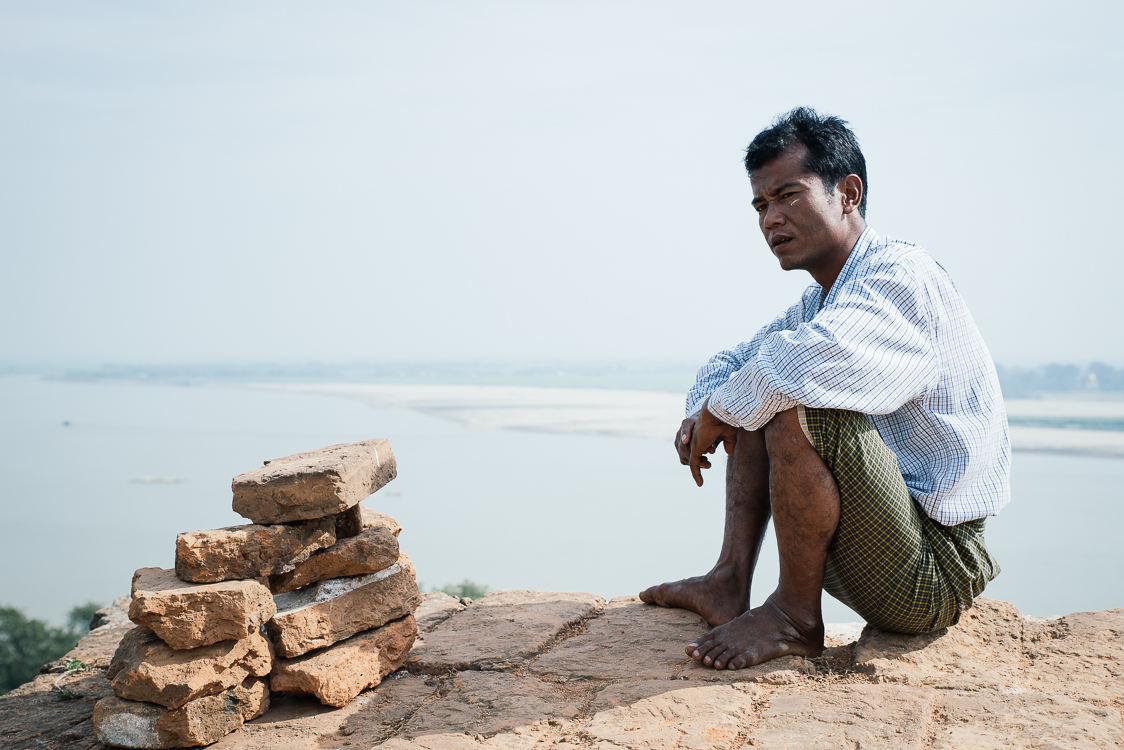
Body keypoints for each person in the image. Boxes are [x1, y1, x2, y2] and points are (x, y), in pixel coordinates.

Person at [639, 107, 1009, 670]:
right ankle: (729, 580)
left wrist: (723, 407)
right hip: (872, 544)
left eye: (789, 195)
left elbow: (803, 365)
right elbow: (734, 360)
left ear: (848, 193)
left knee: (794, 398)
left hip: (933, 568)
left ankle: (794, 617)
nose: (771, 218)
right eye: (761, 205)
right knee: (758, 385)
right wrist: (703, 410)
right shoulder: (824, 299)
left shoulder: (900, 277)